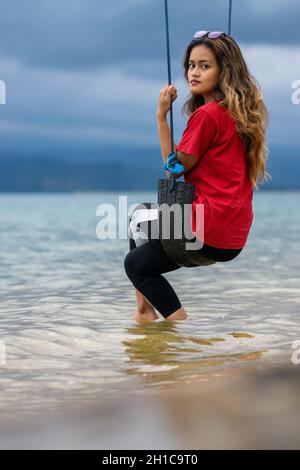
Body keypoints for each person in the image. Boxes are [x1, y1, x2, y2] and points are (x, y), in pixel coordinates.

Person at [124, 30, 270, 322]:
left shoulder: (207, 116)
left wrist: (161, 117)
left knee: (135, 258)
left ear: (224, 71)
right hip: (234, 237)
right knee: (141, 217)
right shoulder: (242, 116)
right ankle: (144, 311)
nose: (195, 72)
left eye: (205, 66)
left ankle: (176, 323)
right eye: (191, 65)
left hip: (204, 229)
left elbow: (174, 168)